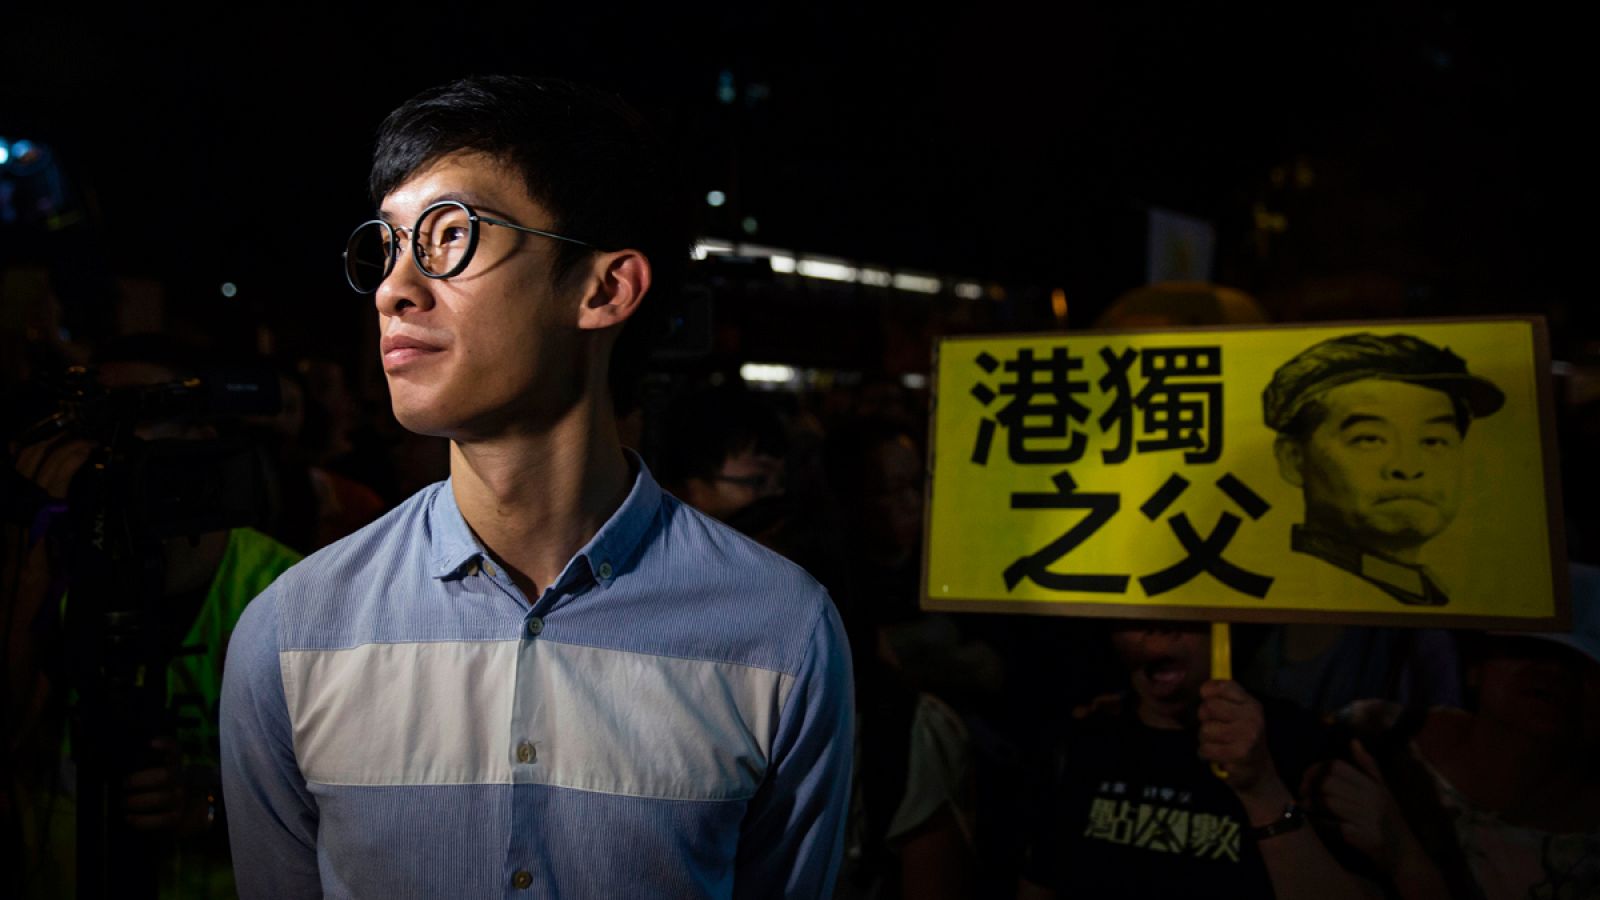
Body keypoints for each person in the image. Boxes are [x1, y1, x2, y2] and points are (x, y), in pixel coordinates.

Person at [220, 75, 853, 898]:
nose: (393, 290)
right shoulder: (292, 632)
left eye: (450, 236)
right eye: (388, 246)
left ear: (604, 288)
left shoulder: (781, 633)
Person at [1018, 620, 1377, 900]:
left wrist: (1262, 788)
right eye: (1141, 608)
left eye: (1184, 608)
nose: (1159, 627)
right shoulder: (1082, 741)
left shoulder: (1299, 741)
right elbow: (1041, 881)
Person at [1309, 565, 1600, 900]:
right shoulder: (1373, 731)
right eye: (1527, 649)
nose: (1551, 671)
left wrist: (1401, 852)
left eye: (1578, 664)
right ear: (1476, 665)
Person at [1262, 332, 1505, 606]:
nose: (1408, 467)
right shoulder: (1295, 591)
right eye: (1369, 439)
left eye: (1434, 440)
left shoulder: (1428, 590)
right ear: (1293, 459)